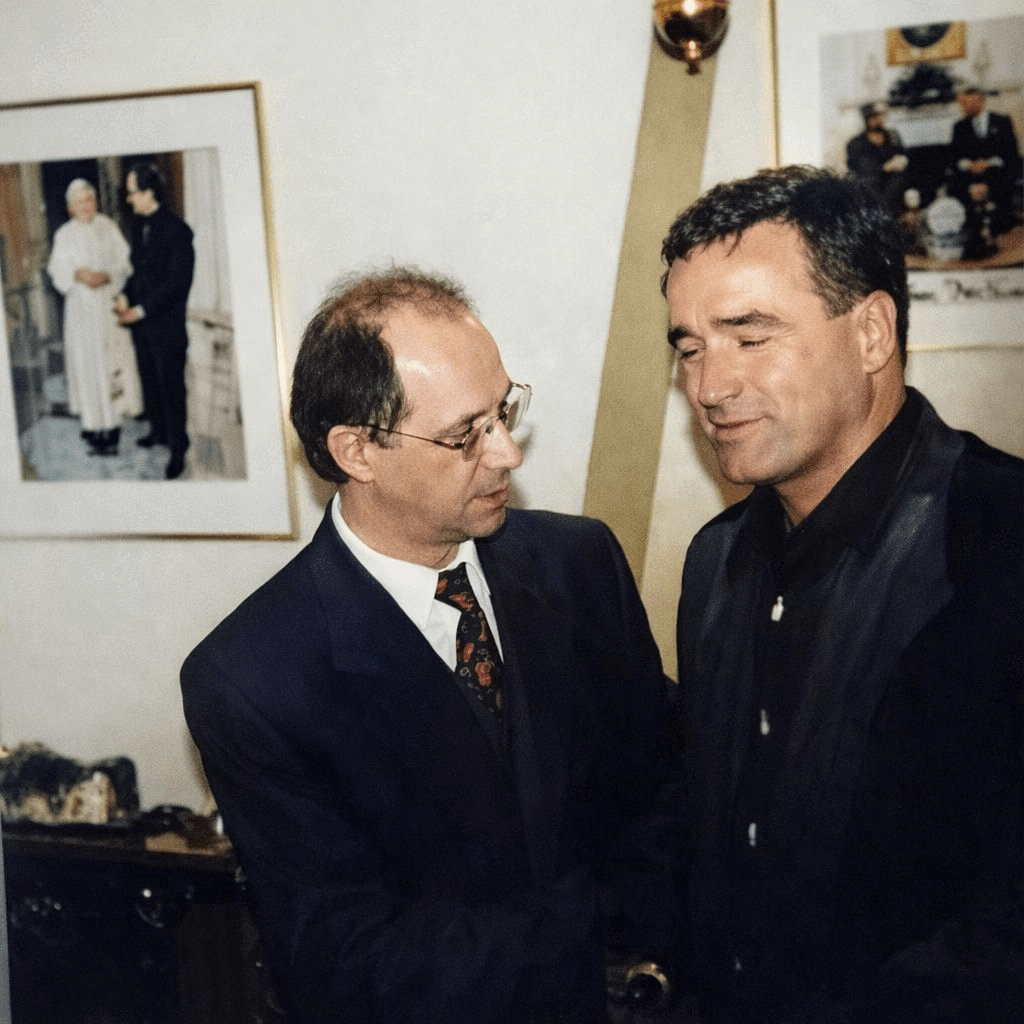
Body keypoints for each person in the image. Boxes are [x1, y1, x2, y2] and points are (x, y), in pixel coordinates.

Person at [180, 268, 680, 1023]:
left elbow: (667, 778)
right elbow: (345, 961)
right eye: (463, 435)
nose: (507, 453)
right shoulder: (251, 677)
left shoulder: (579, 563)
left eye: (504, 411)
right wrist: (593, 930)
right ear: (357, 451)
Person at [659, 165, 1023, 1022]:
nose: (709, 387)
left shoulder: (1003, 540)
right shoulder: (714, 561)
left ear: (871, 333)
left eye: (750, 336)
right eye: (690, 348)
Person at [46, 178, 141, 456]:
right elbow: (57, 271)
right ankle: (93, 426)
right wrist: (77, 274)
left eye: (89, 200)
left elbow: (125, 262)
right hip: (81, 315)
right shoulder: (64, 234)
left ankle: (111, 431)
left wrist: (108, 275)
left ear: (95, 202)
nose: (85, 206)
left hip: (107, 311)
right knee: (87, 369)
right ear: (70, 208)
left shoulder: (108, 227)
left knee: (109, 367)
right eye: (79, 202)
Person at [115, 161, 195, 479]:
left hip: (167, 327)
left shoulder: (178, 231)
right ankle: (159, 432)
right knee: (150, 381)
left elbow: (177, 283)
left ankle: (178, 448)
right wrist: (126, 295)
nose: (128, 199)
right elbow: (138, 272)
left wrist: (140, 310)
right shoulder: (138, 226)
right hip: (143, 327)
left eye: (132, 192)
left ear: (149, 193)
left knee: (172, 389)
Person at [948, 85, 1021, 233]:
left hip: (997, 172)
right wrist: (968, 165)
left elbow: (1011, 153)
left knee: (1005, 179)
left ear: (979, 102)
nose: (962, 107)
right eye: (961, 103)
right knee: (955, 184)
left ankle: (1001, 223)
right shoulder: (959, 127)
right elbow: (954, 157)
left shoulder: (1002, 122)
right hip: (970, 175)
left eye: (965, 103)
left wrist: (988, 163)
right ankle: (971, 226)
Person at [845, 101, 909, 216]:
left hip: (894, 191)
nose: (878, 120)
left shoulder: (893, 137)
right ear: (866, 119)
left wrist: (901, 162)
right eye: (874, 117)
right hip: (871, 191)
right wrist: (885, 167)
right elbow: (861, 168)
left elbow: (902, 156)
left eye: (881, 116)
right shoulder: (856, 143)